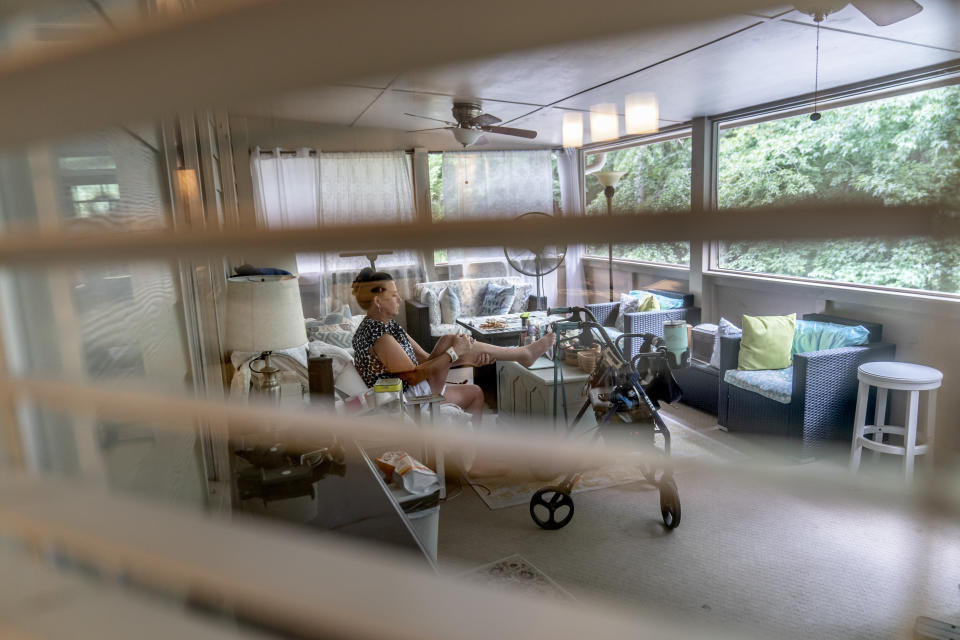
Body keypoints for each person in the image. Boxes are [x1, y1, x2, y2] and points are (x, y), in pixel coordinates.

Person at [350, 268, 555, 423]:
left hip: (415, 386)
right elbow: (412, 376)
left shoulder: (387, 326)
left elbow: (425, 358)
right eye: (393, 294)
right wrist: (454, 353)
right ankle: (524, 353)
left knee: (474, 390)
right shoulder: (378, 335)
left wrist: (466, 357)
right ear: (377, 301)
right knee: (452, 344)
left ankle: (472, 462)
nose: (399, 298)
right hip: (404, 398)